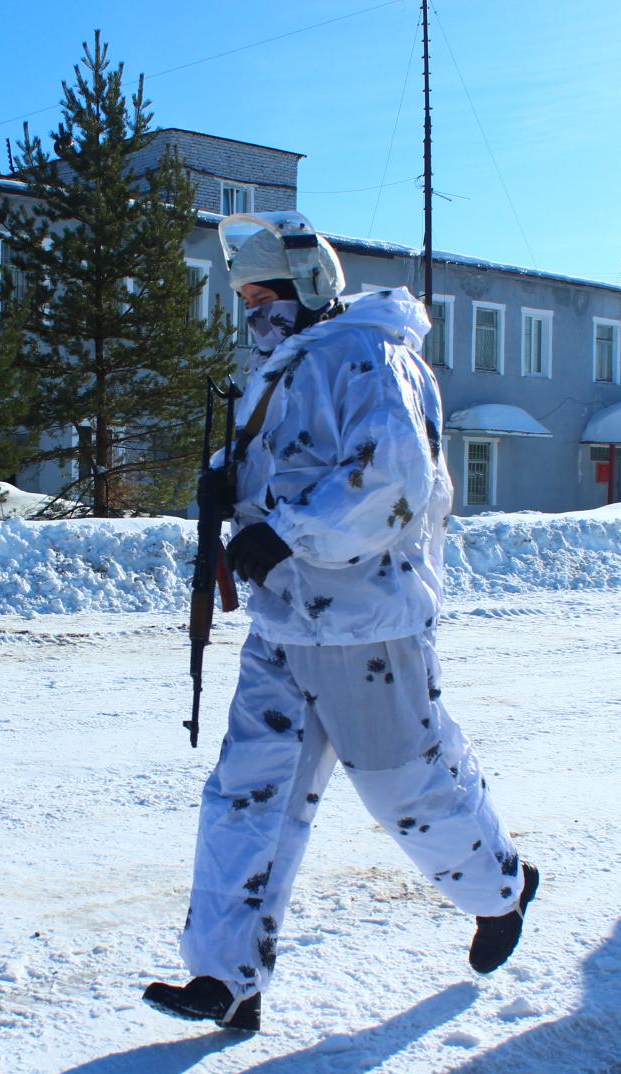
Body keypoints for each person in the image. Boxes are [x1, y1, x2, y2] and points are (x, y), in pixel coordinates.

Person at [144, 212, 535, 1031]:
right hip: (285, 621)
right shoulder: (280, 367)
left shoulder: (368, 355)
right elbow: (280, 465)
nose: (252, 310)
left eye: (264, 294)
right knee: (244, 798)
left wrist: (279, 529)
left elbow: (391, 482)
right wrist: (224, 483)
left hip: (368, 622)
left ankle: (501, 886)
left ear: (309, 286)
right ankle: (227, 978)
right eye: (244, 296)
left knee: (407, 788)